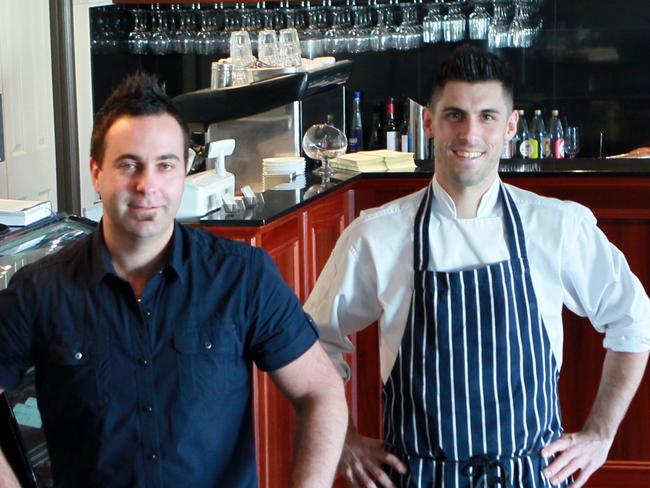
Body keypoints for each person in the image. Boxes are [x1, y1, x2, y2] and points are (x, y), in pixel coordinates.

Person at [304, 45, 650, 488]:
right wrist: (344, 440)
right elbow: (311, 341)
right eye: (454, 115)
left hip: (532, 475)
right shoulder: (376, 234)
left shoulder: (557, 225)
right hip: (418, 478)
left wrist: (601, 434)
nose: (470, 134)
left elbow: (633, 319)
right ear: (428, 121)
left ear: (510, 126)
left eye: (487, 116)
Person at [0, 73, 348, 487]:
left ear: (185, 171)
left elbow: (321, 393)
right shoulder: (41, 290)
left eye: (165, 165)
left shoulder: (241, 276)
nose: (148, 185)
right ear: (96, 173)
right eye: (128, 165)